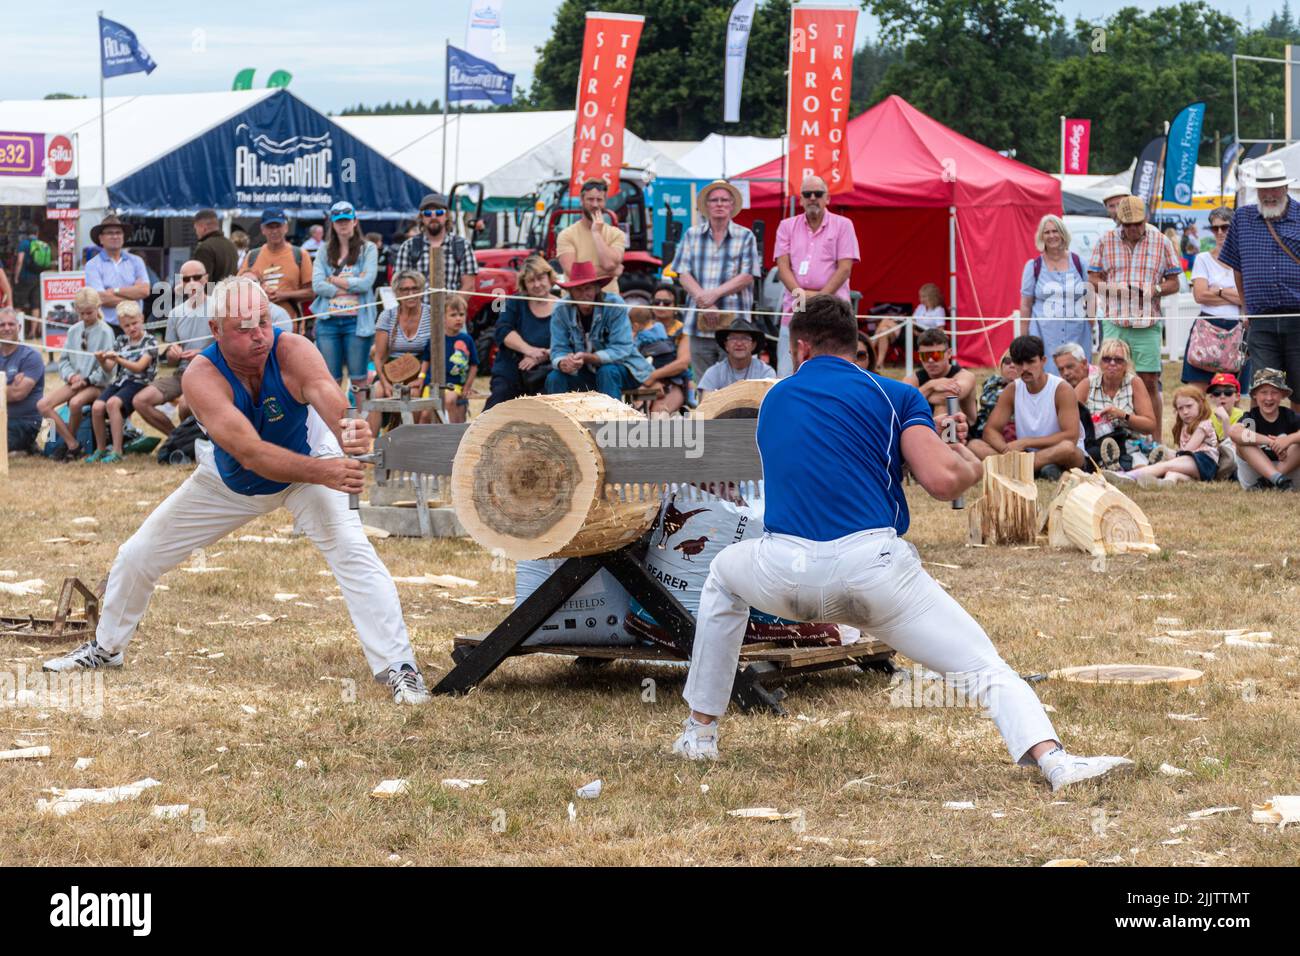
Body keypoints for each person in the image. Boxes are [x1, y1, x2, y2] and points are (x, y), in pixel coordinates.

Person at [670, 296, 1133, 791]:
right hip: (874, 570)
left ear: (801, 347)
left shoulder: (774, 399)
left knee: (722, 575)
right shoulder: (895, 396)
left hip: (784, 571)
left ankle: (700, 732)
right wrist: (968, 465)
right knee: (982, 665)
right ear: (858, 346)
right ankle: (1053, 760)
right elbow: (941, 482)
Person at [43, 277, 431, 703]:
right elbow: (250, 453)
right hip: (234, 480)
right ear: (215, 330)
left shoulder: (294, 351)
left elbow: (331, 402)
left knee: (353, 552)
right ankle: (106, 648)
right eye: (244, 329)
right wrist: (327, 473)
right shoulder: (201, 376)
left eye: (263, 322)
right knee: (138, 555)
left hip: (308, 469)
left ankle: (400, 667)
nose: (259, 336)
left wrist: (351, 432)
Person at [1088, 196, 1181, 441]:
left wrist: (1155, 290)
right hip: (1114, 320)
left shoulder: (1161, 242)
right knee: (1108, 377)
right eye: (1127, 224)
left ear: (1146, 219)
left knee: (1150, 381)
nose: (1132, 229)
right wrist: (1112, 288)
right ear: (1119, 221)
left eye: (1137, 224)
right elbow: (1093, 278)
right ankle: (1105, 434)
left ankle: (1156, 440)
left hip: (1147, 322)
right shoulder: (1105, 241)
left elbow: (1174, 282)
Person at [1219, 159, 1300, 401]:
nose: (1270, 194)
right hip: (1261, 320)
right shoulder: (1242, 218)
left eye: (1275, 188)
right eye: (1265, 189)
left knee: (1299, 392)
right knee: (1262, 389)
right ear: (1257, 191)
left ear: (1286, 189)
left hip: (1298, 317)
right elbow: (1237, 266)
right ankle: (1262, 439)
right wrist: (1245, 307)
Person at [670, 180, 760, 380]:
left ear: (731, 205)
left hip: (735, 329)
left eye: (724, 200)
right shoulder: (692, 235)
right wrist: (703, 300)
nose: (719, 204)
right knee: (703, 384)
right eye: (714, 200)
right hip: (698, 324)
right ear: (707, 205)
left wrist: (712, 295)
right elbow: (682, 272)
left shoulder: (746, 236)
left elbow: (747, 276)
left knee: (733, 387)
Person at [773, 175, 859, 377]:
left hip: (833, 310)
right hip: (795, 306)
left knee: (834, 374)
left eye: (818, 194)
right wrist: (799, 293)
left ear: (827, 198)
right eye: (807, 194)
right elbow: (782, 266)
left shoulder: (843, 225)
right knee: (787, 374)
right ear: (800, 199)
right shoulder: (786, 226)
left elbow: (845, 268)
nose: (812, 198)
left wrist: (820, 298)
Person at [969, 334, 1085, 480]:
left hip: (1058, 452)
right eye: (1019, 363)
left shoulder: (1061, 389)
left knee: (1067, 448)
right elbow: (990, 431)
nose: (1024, 368)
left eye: (1030, 362)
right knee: (974, 445)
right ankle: (1033, 468)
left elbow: (1071, 436)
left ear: (1043, 361)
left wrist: (1026, 442)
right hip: (1025, 455)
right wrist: (1006, 450)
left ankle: (1019, 469)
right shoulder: (1012, 389)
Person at [544, 261, 652, 399]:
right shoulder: (561, 309)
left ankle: (609, 419)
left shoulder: (614, 304)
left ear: (596, 289)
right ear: (570, 292)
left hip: (622, 368)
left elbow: (622, 348)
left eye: (588, 288)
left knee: (607, 371)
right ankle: (560, 420)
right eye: (578, 289)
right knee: (555, 377)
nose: (584, 294)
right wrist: (563, 362)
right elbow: (558, 349)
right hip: (583, 372)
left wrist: (591, 358)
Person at [132, 261, 214, 436]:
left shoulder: (219, 307)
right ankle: (177, 438)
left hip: (211, 372)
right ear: (180, 283)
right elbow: (170, 359)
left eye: (197, 278)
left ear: (206, 279)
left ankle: (191, 442)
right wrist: (173, 353)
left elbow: (229, 348)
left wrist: (202, 354)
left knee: (185, 405)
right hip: (182, 373)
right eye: (186, 279)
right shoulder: (176, 313)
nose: (192, 283)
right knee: (140, 400)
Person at [37, 287, 115, 460]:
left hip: (98, 384)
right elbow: (63, 360)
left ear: (98, 307)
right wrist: (71, 376)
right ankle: (72, 444)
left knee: (75, 403)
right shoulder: (73, 330)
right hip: (75, 381)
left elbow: (108, 370)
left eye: (89, 313)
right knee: (43, 405)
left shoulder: (105, 332)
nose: (86, 317)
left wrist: (86, 381)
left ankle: (69, 448)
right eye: (82, 313)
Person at [310, 201, 378, 399]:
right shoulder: (324, 250)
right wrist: (346, 285)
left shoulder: (368, 249)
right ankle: (335, 426)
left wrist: (333, 279)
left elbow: (367, 283)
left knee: (359, 379)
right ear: (332, 223)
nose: (343, 225)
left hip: (357, 322)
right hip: (328, 321)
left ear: (355, 221)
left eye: (347, 220)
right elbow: (317, 285)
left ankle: (362, 423)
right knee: (331, 380)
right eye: (339, 221)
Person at [1182, 207, 1246, 392]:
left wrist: (1217, 290)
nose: (1219, 232)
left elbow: (1248, 297)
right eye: (1214, 228)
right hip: (1207, 327)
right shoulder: (1203, 258)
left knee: (1234, 394)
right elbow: (1200, 295)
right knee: (1196, 393)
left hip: (1238, 329)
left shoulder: (1244, 259)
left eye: (1224, 227)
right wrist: (1234, 295)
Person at [1021, 215, 1093, 374]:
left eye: (1055, 231)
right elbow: (1026, 305)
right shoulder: (1033, 267)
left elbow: (1091, 298)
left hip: (1078, 334)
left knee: (1078, 376)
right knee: (1048, 378)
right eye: (1047, 232)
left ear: (1063, 233)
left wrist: (1092, 324)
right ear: (1041, 236)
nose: (1052, 236)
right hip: (1044, 336)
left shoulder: (1080, 263)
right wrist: (1023, 339)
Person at [87, 301, 158, 464]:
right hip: (121, 382)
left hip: (140, 383)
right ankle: (100, 449)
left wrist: (118, 358)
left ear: (142, 319)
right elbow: (109, 367)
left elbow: (140, 367)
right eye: (127, 326)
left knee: (112, 403)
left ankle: (117, 450)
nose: (132, 328)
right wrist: (102, 360)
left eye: (135, 323)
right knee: (97, 407)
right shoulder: (120, 340)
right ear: (121, 325)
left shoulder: (150, 341)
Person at [1108, 386, 1218, 488]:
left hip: (1205, 462)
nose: (1185, 411)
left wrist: (1170, 454)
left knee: (1165, 466)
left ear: (1200, 404)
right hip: (1197, 466)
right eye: (1180, 408)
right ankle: (1165, 482)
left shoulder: (1204, 425)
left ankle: (1128, 476)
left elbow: (1187, 450)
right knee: (1172, 472)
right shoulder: (1185, 426)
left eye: (1189, 406)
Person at [1077, 338, 1157, 471]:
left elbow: (1150, 426)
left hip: (1129, 441)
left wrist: (1123, 416)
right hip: (1096, 443)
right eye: (1106, 359)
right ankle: (1123, 467)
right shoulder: (1088, 384)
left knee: (1134, 455)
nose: (1112, 363)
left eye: (1118, 360)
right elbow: (1068, 416)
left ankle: (1121, 465)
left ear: (1126, 364)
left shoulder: (1134, 383)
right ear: (1100, 363)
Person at [486, 256, 555, 409]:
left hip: (547, 371)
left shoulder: (563, 305)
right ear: (524, 284)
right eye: (531, 281)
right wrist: (529, 350)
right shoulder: (514, 302)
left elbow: (571, 341)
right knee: (498, 403)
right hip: (512, 368)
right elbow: (503, 330)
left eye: (540, 278)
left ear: (549, 277)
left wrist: (542, 356)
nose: (537, 285)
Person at [370, 270, 432, 432]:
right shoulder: (387, 315)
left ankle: (409, 442)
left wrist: (421, 377)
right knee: (376, 392)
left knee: (414, 395)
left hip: (422, 368)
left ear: (421, 291)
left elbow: (437, 352)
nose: (410, 293)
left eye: (415, 288)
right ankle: (370, 446)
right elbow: (379, 357)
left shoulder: (432, 313)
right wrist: (384, 382)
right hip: (392, 368)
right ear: (397, 293)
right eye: (404, 290)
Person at [392, 192, 478, 305]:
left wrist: (449, 311)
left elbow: (469, 286)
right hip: (418, 317)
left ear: (447, 216)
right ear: (421, 218)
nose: (433, 217)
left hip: (450, 317)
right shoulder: (408, 246)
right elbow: (399, 285)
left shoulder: (462, 246)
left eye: (439, 212)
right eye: (427, 213)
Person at [238, 209, 315, 332]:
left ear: (286, 227)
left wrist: (284, 295)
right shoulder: (252, 255)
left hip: (292, 326)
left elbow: (312, 292)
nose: (274, 231)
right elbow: (239, 287)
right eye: (270, 227)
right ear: (263, 229)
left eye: (278, 226)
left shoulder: (300, 254)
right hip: (256, 329)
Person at [1229, 368, 1300, 491]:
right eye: (1263, 392)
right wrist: (1269, 441)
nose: (1269, 398)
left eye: (1274, 392)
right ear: (1255, 395)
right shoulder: (1251, 418)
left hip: (1287, 474)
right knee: (1244, 442)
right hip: (1255, 476)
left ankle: (1270, 481)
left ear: (1282, 395)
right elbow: (1234, 433)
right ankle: (1276, 479)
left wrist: (1288, 440)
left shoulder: (1289, 416)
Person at [556, 179, 625, 295]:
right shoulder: (566, 235)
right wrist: (611, 272)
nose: (595, 204)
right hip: (576, 299)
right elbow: (573, 273)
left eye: (599, 200)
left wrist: (596, 233)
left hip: (608, 300)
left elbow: (609, 264)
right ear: (582, 200)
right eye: (590, 199)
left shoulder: (616, 234)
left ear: (605, 202)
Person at [83, 216, 150, 329]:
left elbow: (145, 290)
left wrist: (115, 291)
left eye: (118, 232)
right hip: (107, 326)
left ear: (123, 237)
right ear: (101, 238)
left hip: (134, 326)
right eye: (109, 233)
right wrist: (134, 297)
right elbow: (100, 298)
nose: (115, 236)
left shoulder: (136, 261)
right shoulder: (92, 265)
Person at [420, 293, 477, 423]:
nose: (458, 319)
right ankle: (420, 441)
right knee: (425, 414)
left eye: (461, 315)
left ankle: (450, 436)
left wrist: (467, 386)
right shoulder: (435, 339)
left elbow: (474, 365)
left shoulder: (467, 340)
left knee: (450, 400)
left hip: (454, 385)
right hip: (432, 385)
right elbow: (426, 360)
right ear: (442, 318)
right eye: (453, 315)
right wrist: (421, 377)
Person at [902, 327, 977, 426]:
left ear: (949, 353)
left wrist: (920, 395)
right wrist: (930, 385)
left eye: (936, 355)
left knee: (944, 406)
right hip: (925, 429)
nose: (930, 361)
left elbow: (950, 396)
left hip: (964, 432)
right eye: (925, 356)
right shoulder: (913, 379)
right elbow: (902, 405)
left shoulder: (964, 375)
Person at [0, 308, 45, 454]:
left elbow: (17, 394)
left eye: (11, 324)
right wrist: (9, 385)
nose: (6, 328)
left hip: (25, 421)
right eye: (2, 324)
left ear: (19, 327)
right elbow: (10, 392)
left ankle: (25, 445)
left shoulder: (31, 356)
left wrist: (7, 388)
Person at [642, 284, 692, 414]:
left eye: (666, 303)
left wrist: (653, 376)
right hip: (644, 382)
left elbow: (682, 364)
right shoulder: (641, 327)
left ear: (675, 306)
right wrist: (649, 382)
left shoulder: (683, 330)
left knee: (658, 415)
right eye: (657, 302)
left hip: (674, 383)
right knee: (638, 412)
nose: (661, 306)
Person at [696, 318, 776, 395]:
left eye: (745, 338)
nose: (739, 343)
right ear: (726, 345)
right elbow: (705, 404)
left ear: (753, 345)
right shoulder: (713, 373)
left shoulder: (765, 373)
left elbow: (770, 402)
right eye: (733, 338)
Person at [1206, 371, 1245, 480]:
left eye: (1228, 392)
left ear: (1237, 397)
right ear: (1212, 397)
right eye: (1217, 393)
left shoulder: (1242, 416)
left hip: (1236, 456)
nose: (1222, 396)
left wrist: (1225, 419)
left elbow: (1231, 445)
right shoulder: (1208, 417)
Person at [972, 350, 1017, 443]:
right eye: (1007, 361)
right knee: (974, 445)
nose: (1012, 365)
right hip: (984, 435)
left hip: (1014, 438)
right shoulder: (993, 383)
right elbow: (989, 402)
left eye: (1016, 361)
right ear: (1001, 365)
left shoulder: (1029, 388)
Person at [191, 209, 239, 283]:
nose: (196, 232)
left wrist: (210, 294)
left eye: (196, 228)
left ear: (203, 228)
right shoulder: (231, 245)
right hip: (230, 292)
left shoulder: (205, 248)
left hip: (213, 293)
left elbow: (206, 280)